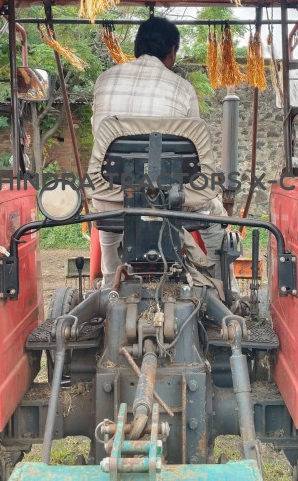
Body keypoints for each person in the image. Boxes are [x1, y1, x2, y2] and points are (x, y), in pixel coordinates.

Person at [91, 17, 229, 289]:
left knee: (104, 212)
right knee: (217, 216)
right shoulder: (183, 88)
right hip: (172, 201)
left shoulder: (104, 81)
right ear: (171, 52)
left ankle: (109, 285)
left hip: (114, 197)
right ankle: (223, 285)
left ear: (136, 47)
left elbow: (100, 136)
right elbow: (194, 147)